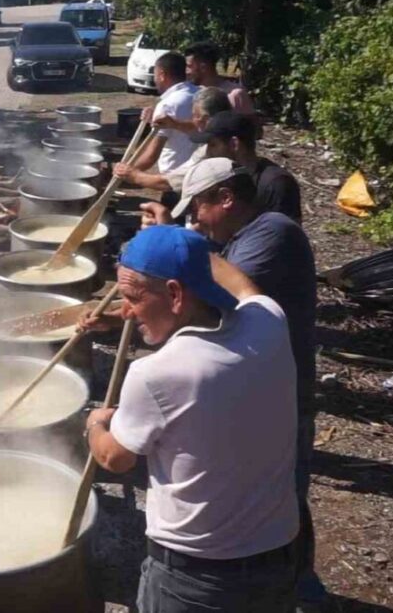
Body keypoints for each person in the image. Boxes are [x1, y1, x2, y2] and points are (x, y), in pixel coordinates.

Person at [140, 157, 323, 610]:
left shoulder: (273, 232)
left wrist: (171, 241)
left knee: (283, 491)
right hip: (251, 383)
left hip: (279, 388)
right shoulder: (243, 236)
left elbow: (215, 294)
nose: (197, 218)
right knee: (265, 489)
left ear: (225, 198)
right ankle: (284, 583)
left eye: (199, 208)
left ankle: (299, 589)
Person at [86, 225, 299, 612]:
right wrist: (183, 245)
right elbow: (244, 285)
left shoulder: (157, 373)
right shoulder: (269, 321)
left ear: (175, 293)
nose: (126, 313)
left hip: (197, 578)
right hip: (278, 559)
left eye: (132, 298)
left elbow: (114, 458)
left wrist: (96, 424)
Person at [191, 111, 302, 223]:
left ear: (234, 144)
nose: (208, 152)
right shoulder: (224, 180)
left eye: (213, 145)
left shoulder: (276, 184)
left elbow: (283, 235)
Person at [114, 87, 231, 194]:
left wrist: (134, 175)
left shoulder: (211, 150)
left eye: (195, 115)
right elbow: (196, 127)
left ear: (206, 120)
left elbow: (171, 182)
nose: (192, 119)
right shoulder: (233, 128)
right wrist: (173, 123)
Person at [119, 52, 198, 177]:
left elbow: (151, 156)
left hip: (176, 178)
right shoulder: (200, 93)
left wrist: (125, 171)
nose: (155, 80)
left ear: (162, 75)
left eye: (155, 75)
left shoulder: (167, 105)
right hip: (201, 174)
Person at [184, 41, 255, 116]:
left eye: (189, 66)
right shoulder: (187, 93)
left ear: (203, 67)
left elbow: (251, 126)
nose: (186, 71)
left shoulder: (234, 94)